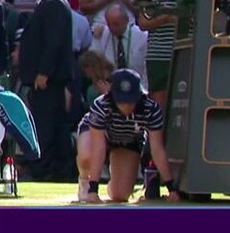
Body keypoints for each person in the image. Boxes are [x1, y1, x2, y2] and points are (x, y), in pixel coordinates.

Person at [76, 69, 180, 204]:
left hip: (129, 141)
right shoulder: (100, 105)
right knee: (86, 156)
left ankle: (114, 180)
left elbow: (157, 149)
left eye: (131, 100)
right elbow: (99, 147)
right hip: (100, 135)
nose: (127, 105)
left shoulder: (151, 109)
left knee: (120, 195)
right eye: (122, 100)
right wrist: (93, 189)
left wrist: (170, 187)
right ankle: (85, 182)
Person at [18, 0, 74, 181]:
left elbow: (54, 42)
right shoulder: (51, 2)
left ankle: (43, 168)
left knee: (46, 125)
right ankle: (60, 168)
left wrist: (44, 72)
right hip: (48, 79)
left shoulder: (53, 3)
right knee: (56, 125)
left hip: (47, 80)